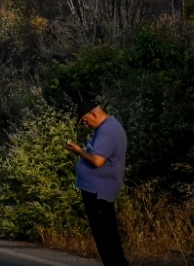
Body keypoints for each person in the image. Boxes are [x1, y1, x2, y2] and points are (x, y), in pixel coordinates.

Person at [65, 100, 129, 266]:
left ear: (94, 113)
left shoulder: (107, 130)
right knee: (107, 236)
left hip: (99, 192)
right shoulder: (109, 127)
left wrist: (79, 151)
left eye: (85, 121)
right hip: (100, 190)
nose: (86, 125)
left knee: (106, 238)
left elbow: (97, 160)